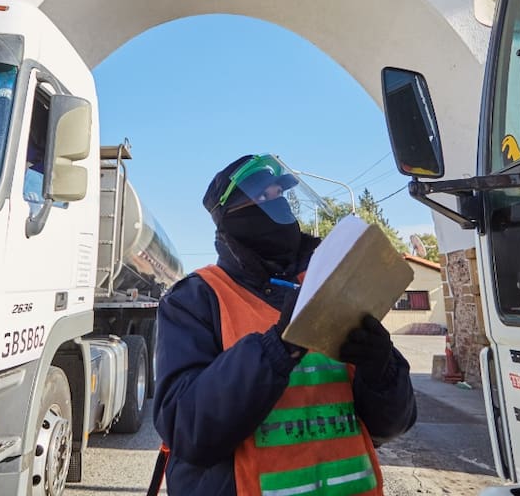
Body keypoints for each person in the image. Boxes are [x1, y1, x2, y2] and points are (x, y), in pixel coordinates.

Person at [152, 154, 417, 496]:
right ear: (230, 215)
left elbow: (390, 427)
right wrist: (277, 348)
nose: (278, 204)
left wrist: (382, 370)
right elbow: (187, 430)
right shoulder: (196, 298)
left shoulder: (330, 286)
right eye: (264, 197)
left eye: (281, 194)